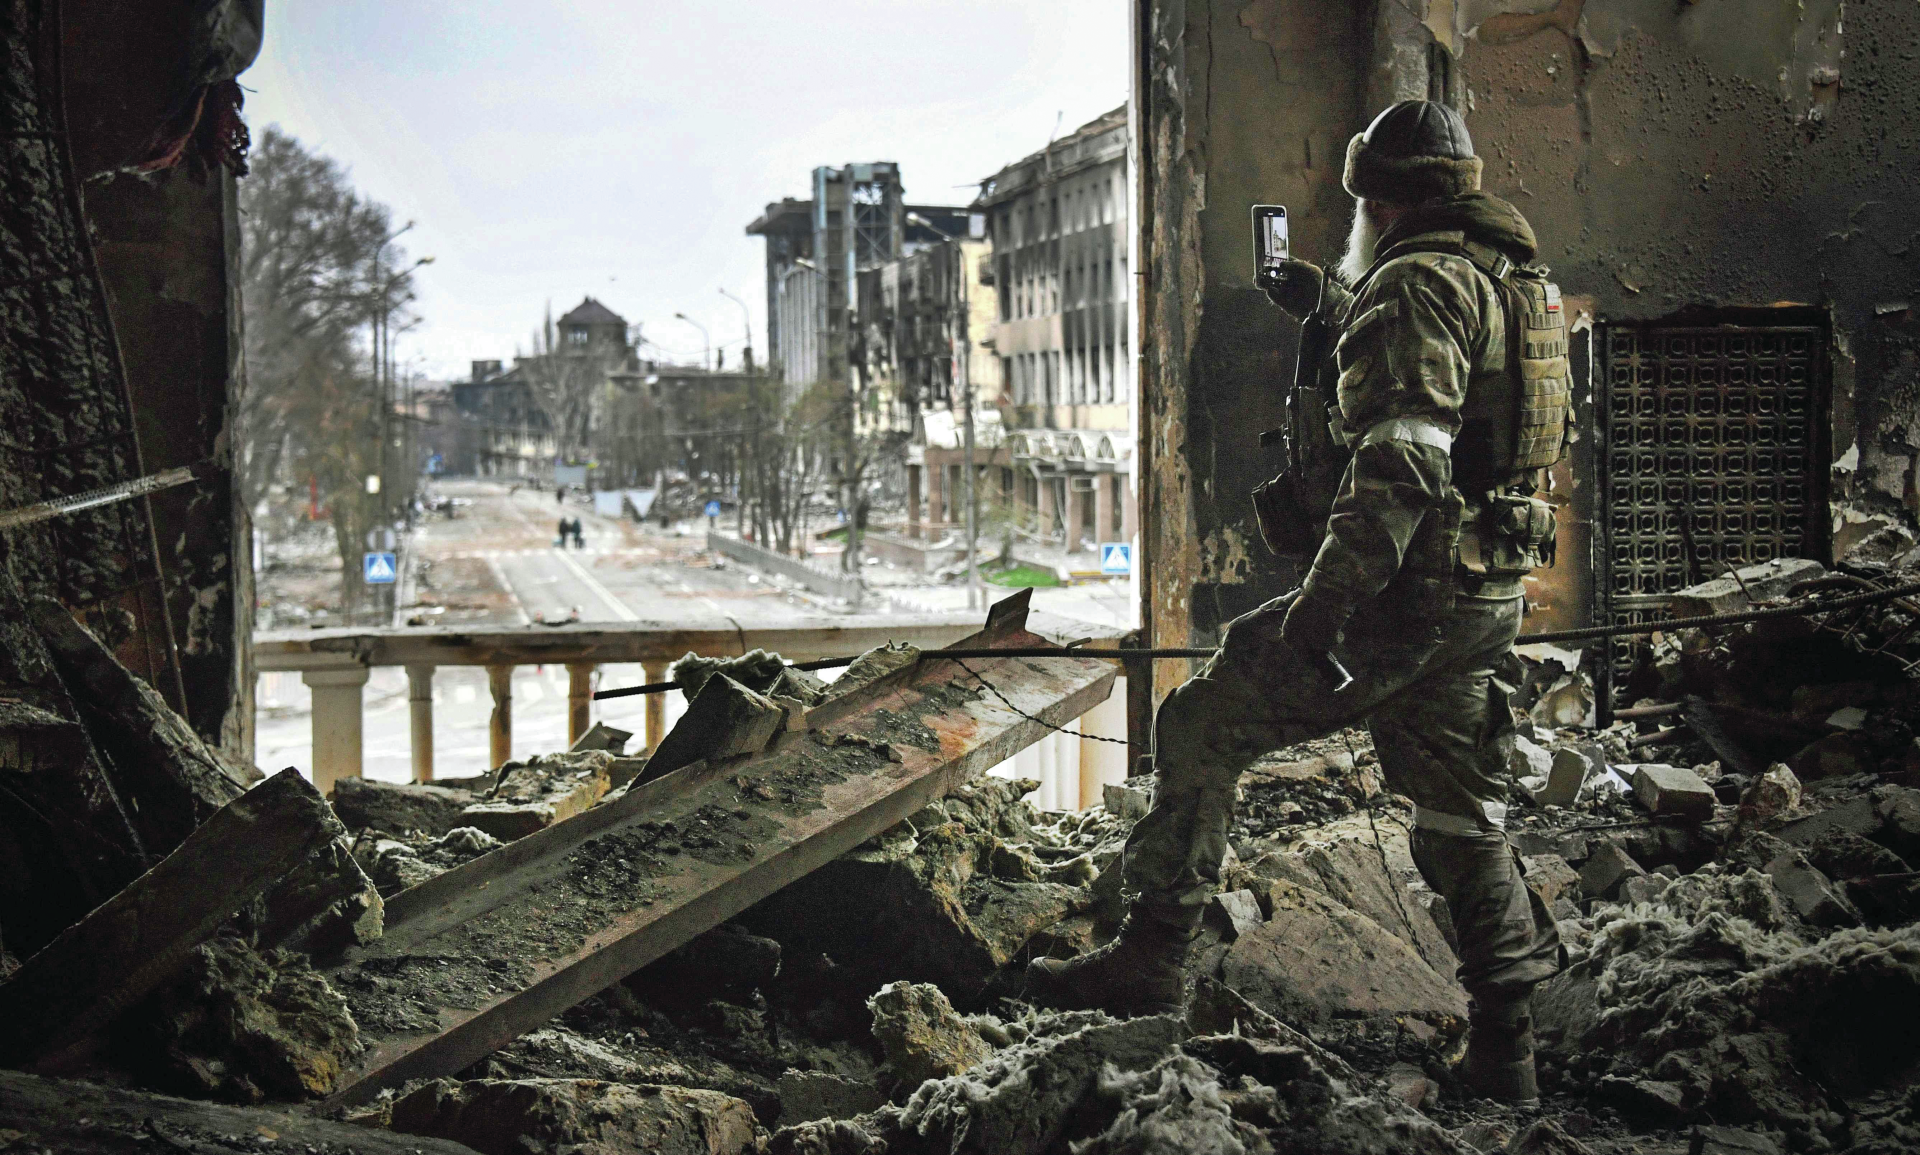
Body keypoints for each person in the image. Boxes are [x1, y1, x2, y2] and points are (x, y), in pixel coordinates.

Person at [1026, 100, 1568, 1105]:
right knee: (1459, 811)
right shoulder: (1509, 280)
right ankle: (1509, 1048)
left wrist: (1320, 619)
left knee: (1197, 728)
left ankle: (1147, 963)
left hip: (1398, 605)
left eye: (1362, 199)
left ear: (1384, 199)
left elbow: (1401, 465)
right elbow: (1463, 414)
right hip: (1481, 595)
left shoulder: (1413, 287)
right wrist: (1328, 308)